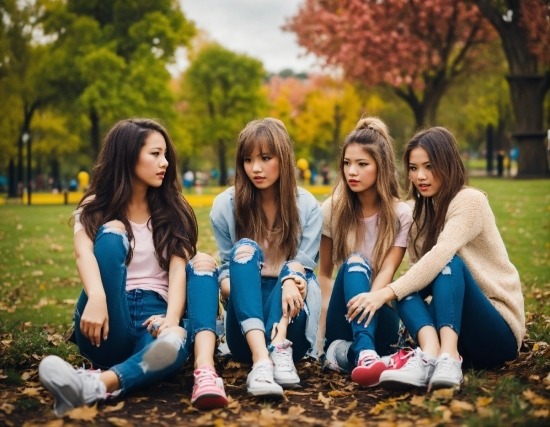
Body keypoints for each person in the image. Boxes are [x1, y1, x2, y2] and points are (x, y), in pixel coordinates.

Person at [38, 118, 228, 416]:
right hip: (106, 314)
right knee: (113, 232)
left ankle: (95, 385)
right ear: (127, 156)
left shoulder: (172, 208)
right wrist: (98, 298)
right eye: (155, 154)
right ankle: (104, 375)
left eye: (165, 154)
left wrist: (171, 317)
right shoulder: (94, 206)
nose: (164, 162)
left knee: (175, 338)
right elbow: (83, 254)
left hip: (153, 318)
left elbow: (178, 270)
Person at [357, 127, 525, 391]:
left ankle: (446, 357)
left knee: (447, 263)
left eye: (429, 166)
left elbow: (441, 253)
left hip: (497, 332)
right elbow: (417, 272)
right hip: (459, 334)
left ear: (448, 163)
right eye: (413, 168)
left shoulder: (470, 201)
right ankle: (430, 355)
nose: (420, 176)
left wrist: (384, 293)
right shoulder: (418, 214)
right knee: (407, 288)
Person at [210, 118, 322, 397]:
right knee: (245, 250)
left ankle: (280, 347)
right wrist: (244, 293)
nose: (255, 168)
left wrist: (289, 280)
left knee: (293, 270)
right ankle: (262, 360)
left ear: (283, 158)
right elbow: (226, 270)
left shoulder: (307, 206)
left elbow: (303, 269)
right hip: (244, 326)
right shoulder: (227, 205)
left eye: (265, 158)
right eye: (248, 160)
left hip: (292, 315)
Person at [318, 117, 412, 387]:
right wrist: (323, 327)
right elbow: (324, 274)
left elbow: (387, 271)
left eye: (362, 164)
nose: (352, 172)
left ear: (380, 167)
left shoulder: (400, 214)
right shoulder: (333, 210)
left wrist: (370, 300)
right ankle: (365, 353)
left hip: (380, 310)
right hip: (342, 314)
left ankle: (354, 355)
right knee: (355, 262)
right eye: (347, 163)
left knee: (364, 267)